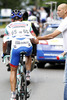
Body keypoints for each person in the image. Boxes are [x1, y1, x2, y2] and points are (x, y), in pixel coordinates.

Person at [3, 9, 39, 100]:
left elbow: (4, 43)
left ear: (11, 19)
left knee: (13, 71)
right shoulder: (28, 25)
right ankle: (27, 74)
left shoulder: (8, 26)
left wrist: (4, 53)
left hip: (15, 48)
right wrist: (35, 40)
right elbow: (35, 39)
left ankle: (13, 95)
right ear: (22, 18)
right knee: (28, 55)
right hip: (27, 47)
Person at [37, 3, 67, 100]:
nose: (57, 12)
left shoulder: (65, 21)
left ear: (65, 11)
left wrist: (36, 38)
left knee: (66, 82)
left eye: (59, 10)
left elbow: (51, 35)